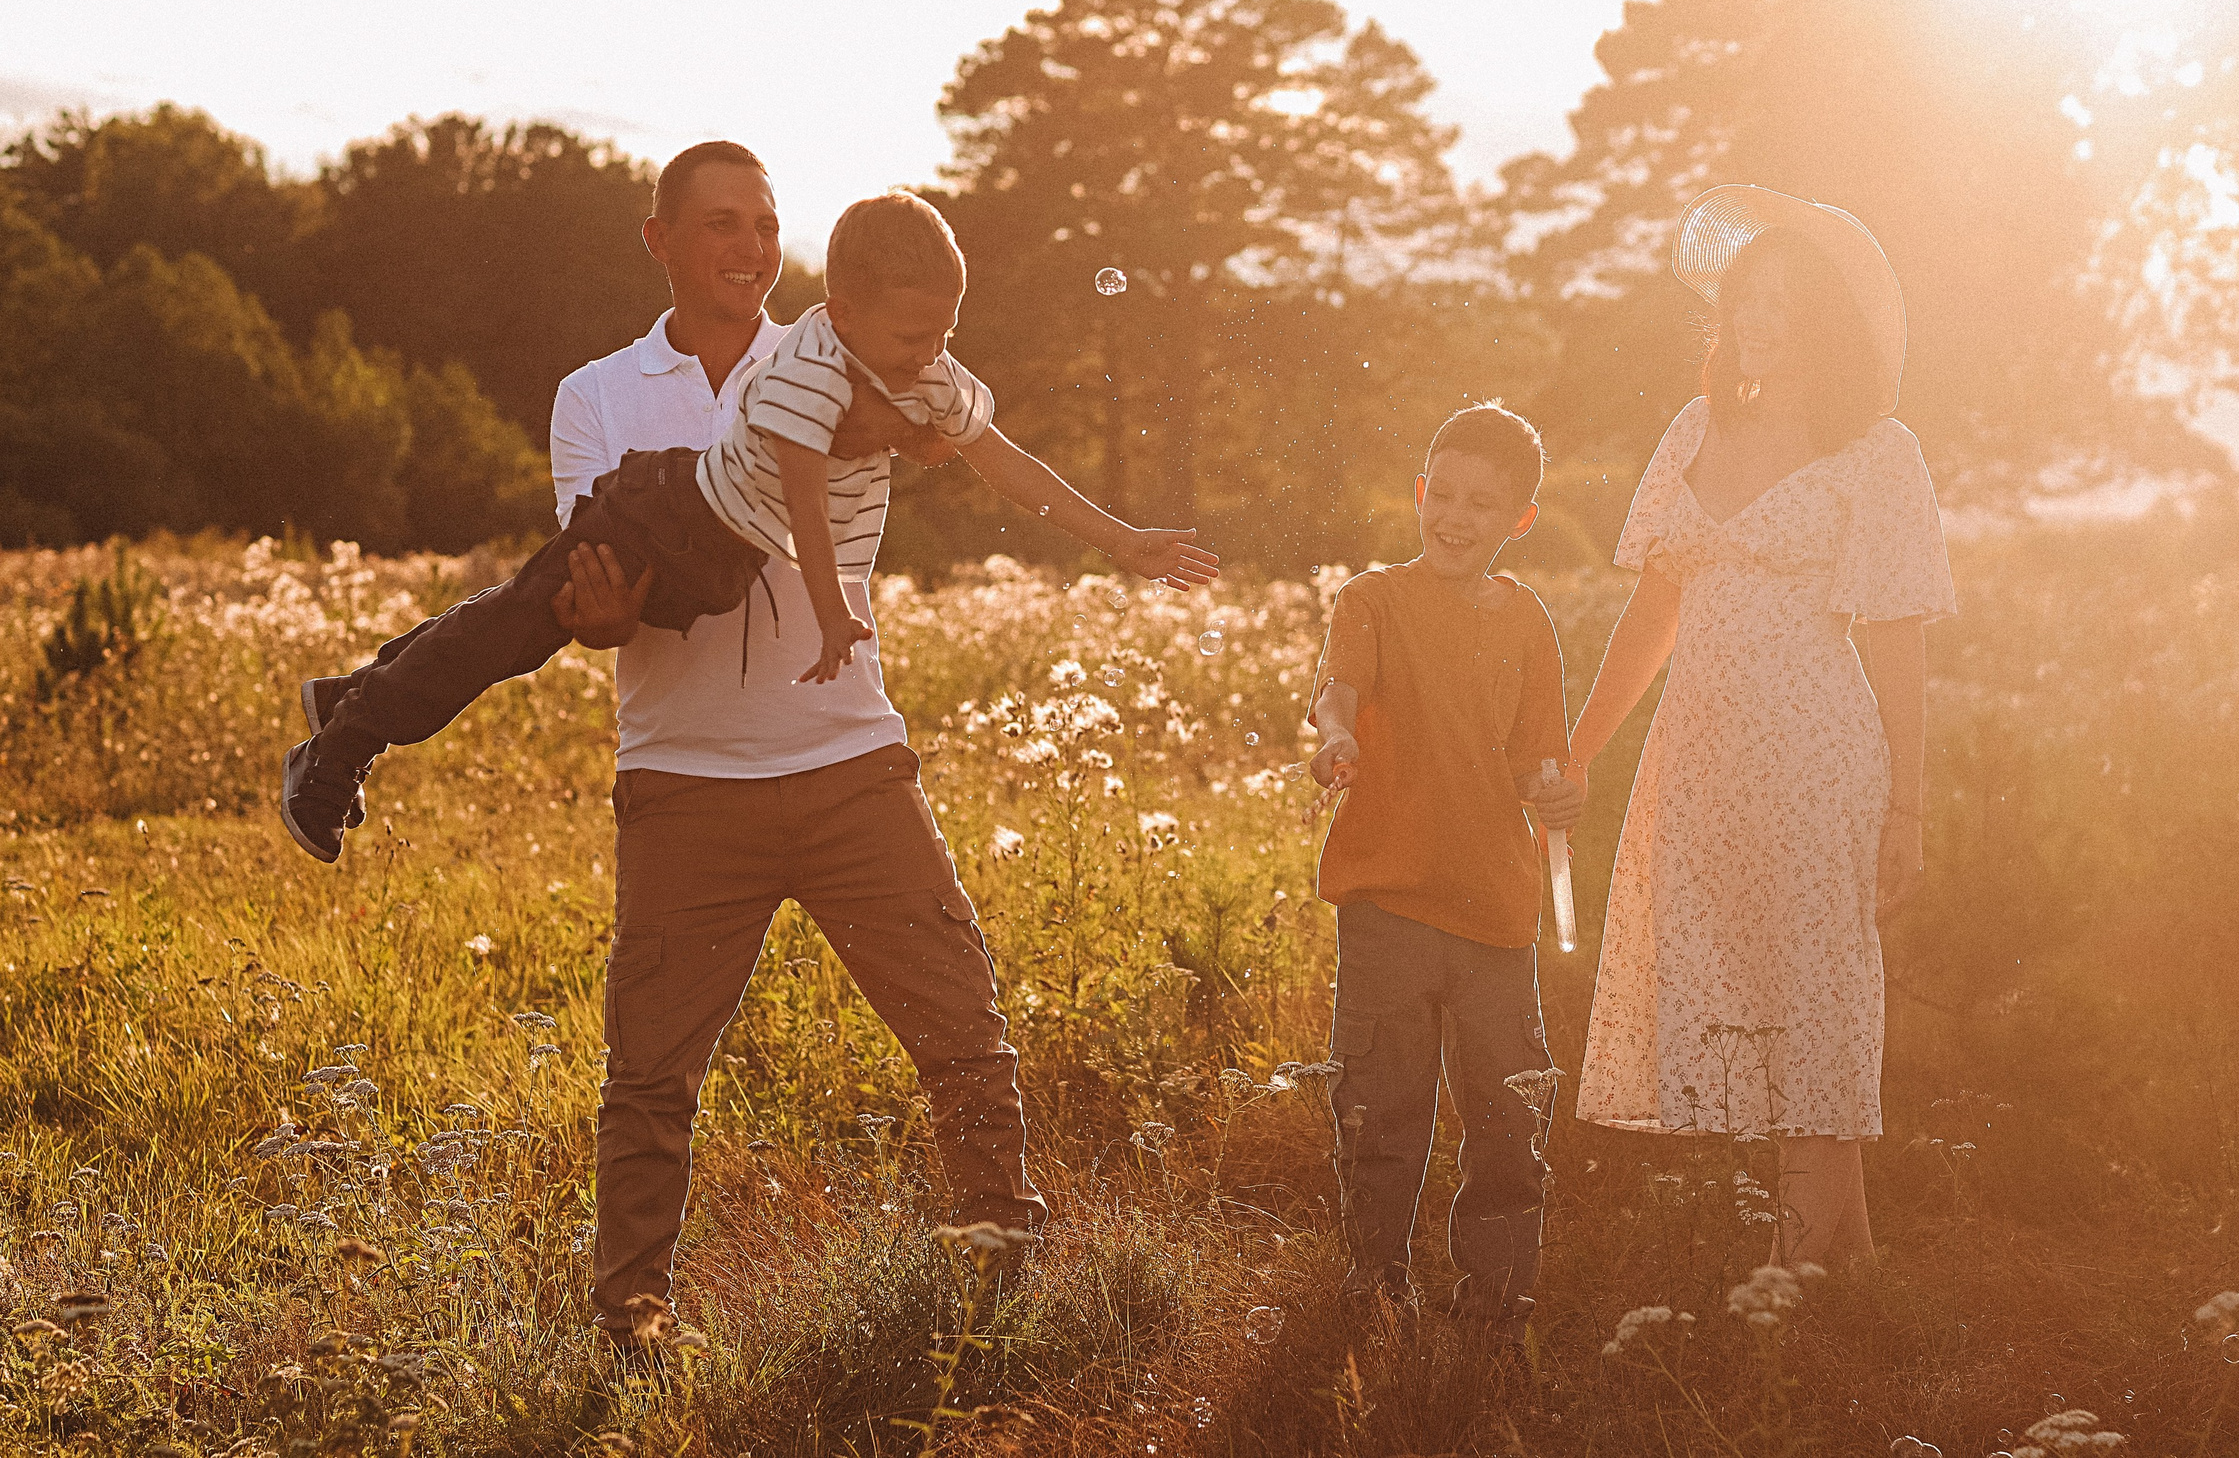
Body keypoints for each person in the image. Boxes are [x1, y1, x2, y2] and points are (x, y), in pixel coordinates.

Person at [289, 143, 1213, 1339]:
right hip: (685, 775)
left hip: (847, 761)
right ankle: (632, 1323)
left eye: (767, 223)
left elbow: (982, 450)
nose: (749, 246)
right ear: (659, 238)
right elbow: (600, 600)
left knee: (964, 1032)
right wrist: (604, 618)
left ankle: (1000, 1276)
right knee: (646, 1066)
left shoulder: (878, 345)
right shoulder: (602, 393)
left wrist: (1116, 535)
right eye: (722, 223)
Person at [279, 183, 1216, 862]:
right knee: (517, 630)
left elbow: (1001, 455)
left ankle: (353, 689)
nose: (930, 354)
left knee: (516, 607)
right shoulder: (809, 365)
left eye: (943, 335)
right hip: (667, 520)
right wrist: (832, 608)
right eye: (910, 338)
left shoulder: (918, 355)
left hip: (719, 556)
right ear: (841, 311)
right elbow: (803, 496)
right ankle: (343, 745)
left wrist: (1122, 539)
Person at [1562, 186, 1956, 1267]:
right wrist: (1580, 746)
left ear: (1825, 321)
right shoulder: (1697, 429)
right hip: (1698, 753)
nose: (1760, 320)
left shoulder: (1876, 452)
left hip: (1816, 754)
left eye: (1786, 301)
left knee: (1815, 982)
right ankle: (1849, 1259)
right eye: (1747, 300)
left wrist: (1908, 803)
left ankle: (1797, 1266)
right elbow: (1655, 611)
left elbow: (1897, 639)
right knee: (1744, 984)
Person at [1305, 402, 1585, 1331]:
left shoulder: (1528, 624)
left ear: (1520, 520)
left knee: (1506, 1117)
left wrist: (1556, 793)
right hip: (1388, 902)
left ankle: (1498, 1300)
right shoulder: (1374, 599)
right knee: (1381, 1109)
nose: (1456, 517)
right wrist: (1338, 732)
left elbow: (1538, 758)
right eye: (1445, 494)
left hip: (1497, 915)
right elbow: (1338, 686)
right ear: (1420, 493)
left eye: (1483, 502)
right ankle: (1375, 1284)